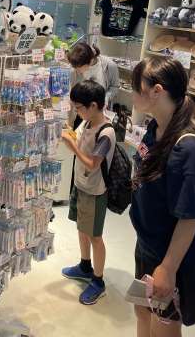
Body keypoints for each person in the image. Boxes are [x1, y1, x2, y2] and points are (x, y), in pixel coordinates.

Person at [130, 56, 195, 335]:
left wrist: (168, 267)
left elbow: (190, 217)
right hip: (147, 245)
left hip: (169, 256)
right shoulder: (155, 129)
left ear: (156, 91)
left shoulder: (188, 149)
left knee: (163, 326)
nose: (132, 93)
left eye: (136, 87)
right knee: (142, 311)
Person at [61, 80, 116, 305]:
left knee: (95, 236)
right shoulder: (87, 122)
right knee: (81, 227)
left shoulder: (106, 132)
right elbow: (77, 138)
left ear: (93, 105)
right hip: (81, 185)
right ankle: (85, 266)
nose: (77, 112)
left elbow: (93, 164)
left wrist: (72, 147)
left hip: (94, 191)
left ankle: (98, 281)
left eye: (79, 107)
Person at [68, 42, 120, 108]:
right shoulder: (75, 67)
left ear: (91, 61)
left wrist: (106, 98)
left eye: (79, 68)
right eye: (75, 68)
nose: (76, 71)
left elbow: (115, 87)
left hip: (100, 107)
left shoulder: (110, 66)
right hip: (81, 108)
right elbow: (73, 90)